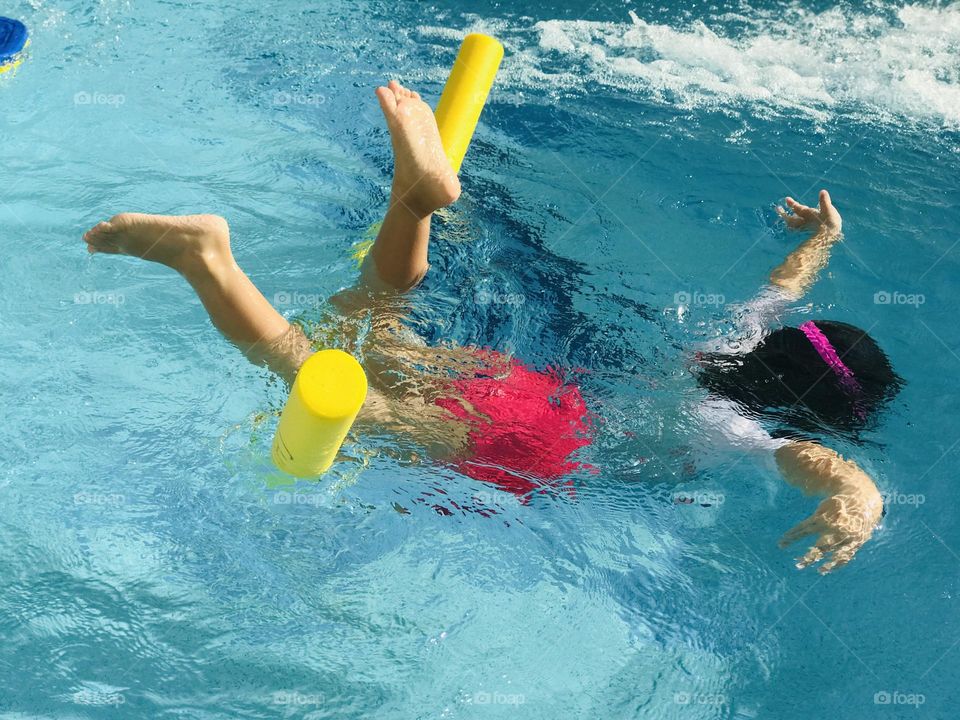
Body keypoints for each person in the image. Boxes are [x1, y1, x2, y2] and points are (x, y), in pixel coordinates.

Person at [83, 80, 593, 500]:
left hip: (543, 400)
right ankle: (205, 261)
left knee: (371, 318)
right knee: (353, 398)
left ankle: (414, 201)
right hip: (536, 453)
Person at [693, 190, 902, 573]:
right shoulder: (731, 425)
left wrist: (824, 236)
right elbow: (812, 462)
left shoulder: (742, 333)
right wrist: (862, 496)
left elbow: (786, 285)